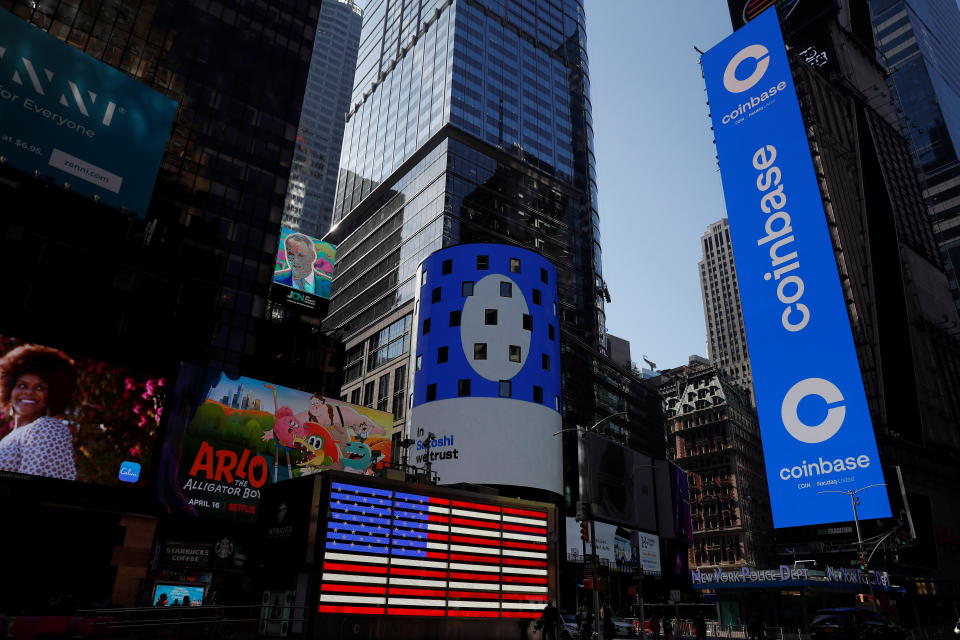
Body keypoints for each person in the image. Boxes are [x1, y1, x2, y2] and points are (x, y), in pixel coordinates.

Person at [0, 344, 77, 480]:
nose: (29, 392)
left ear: (52, 395)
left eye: (40, 387)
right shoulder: (9, 438)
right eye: (22, 385)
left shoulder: (47, 428)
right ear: (9, 390)